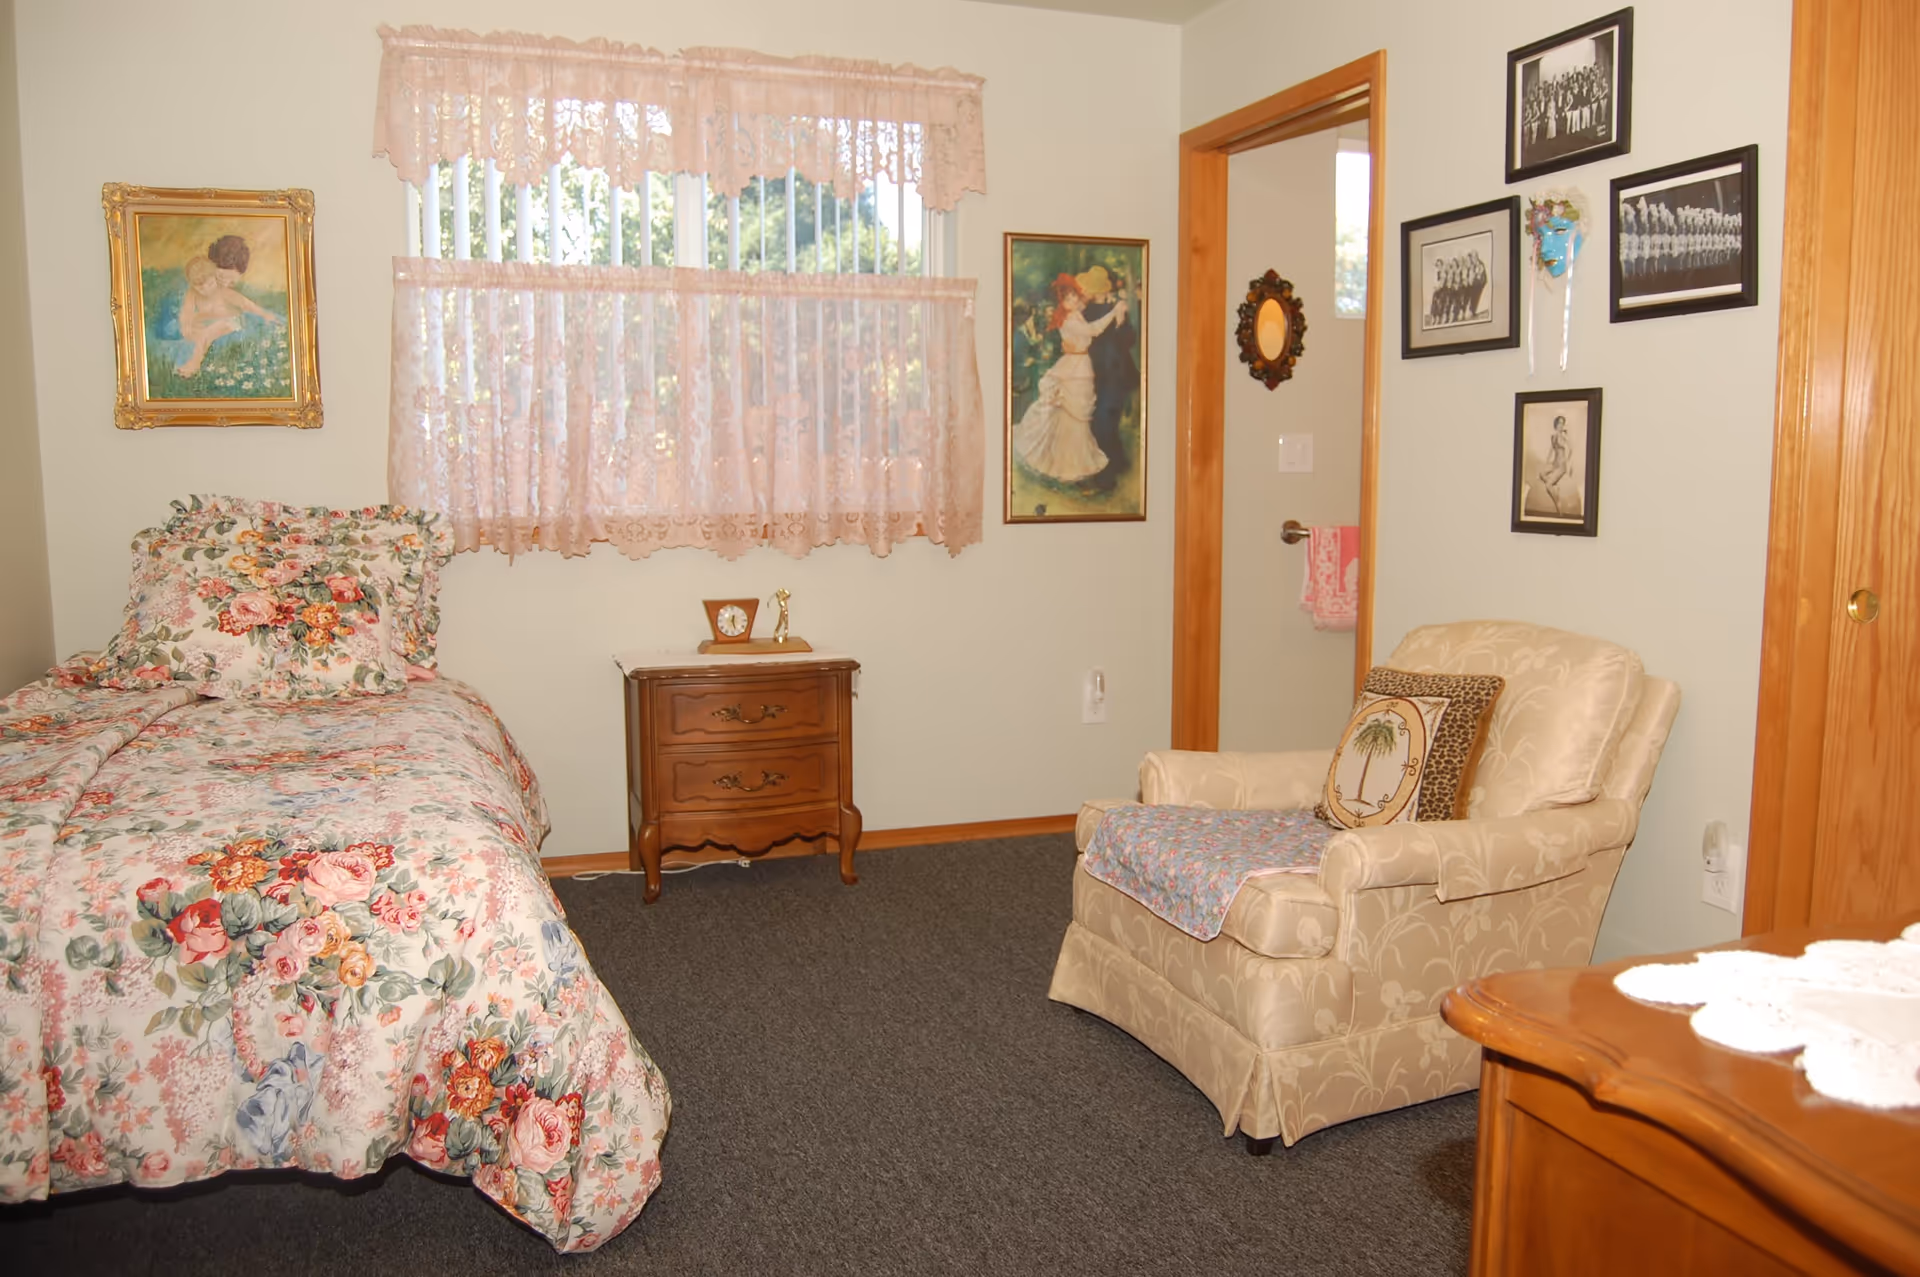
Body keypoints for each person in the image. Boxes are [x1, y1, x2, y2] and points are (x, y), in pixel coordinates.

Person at [1011, 273, 1127, 485]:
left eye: (1074, 296)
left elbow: (1087, 301)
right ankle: (1067, 464)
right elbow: (1093, 330)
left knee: (1077, 415)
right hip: (1073, 367)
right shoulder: (1068, 319)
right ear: (1061, 302)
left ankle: (1078, 459)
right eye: (1067, 298)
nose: (1073, 300)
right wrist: (1113, 312)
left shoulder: (1074, 314)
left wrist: (1111, 302)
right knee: (1069, 415)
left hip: (1080, 364)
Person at [175, 234, 283, 377]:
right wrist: (186, 326)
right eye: (199, 286)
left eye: (210, 283)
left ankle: (194, 365)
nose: (206, 288)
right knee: (199, 333)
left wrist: (264, 314)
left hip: (231, 322)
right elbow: (186, 311)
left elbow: (245, 304)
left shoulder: (223, 291)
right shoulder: (193, 293)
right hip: (213, 323)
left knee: (207, 334)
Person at [1077, 264, 1139, 493]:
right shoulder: (1087, 312)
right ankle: (1116, 464)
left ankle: (1106, 479)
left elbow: (1128, 340)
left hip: (1113, 376)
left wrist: (1121, 321)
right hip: (1095, 374)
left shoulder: (1115, 308)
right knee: (1099, 423)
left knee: (1104, 423)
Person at [1538, 414, 1575, 513]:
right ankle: (1555, 487)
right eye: (1559, 423)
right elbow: (1551, 450)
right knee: (1541, 474)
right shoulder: (1553, 436)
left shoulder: (1564, 436)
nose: (1561, 425)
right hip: (1554, 463)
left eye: (1563, 423)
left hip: (1561, 466)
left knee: (1548, 486)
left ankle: (1557, 502)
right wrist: (1546, 462)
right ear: (1556, 424)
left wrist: (1567, 461)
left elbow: (1571, 449)